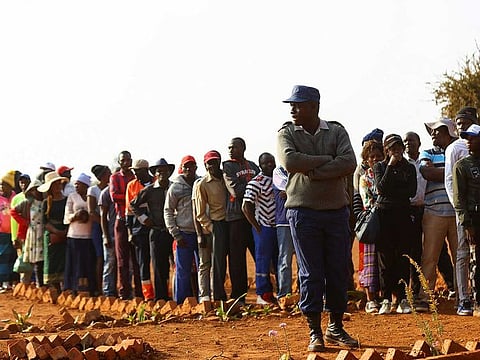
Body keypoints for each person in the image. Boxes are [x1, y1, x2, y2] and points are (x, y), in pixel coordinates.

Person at [277, 85, 358, 351]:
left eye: (298, 105)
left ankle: (335, 327)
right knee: (311, 273)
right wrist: (327, 160)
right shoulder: (286, 132)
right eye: (292, 105)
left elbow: (348, 163)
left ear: (314, 106)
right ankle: (315, 331)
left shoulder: (335, 130)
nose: (292, 109)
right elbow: (290, 161)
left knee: (338, 271)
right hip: (303, 212)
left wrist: (313, 169)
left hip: (336, 211)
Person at [416, 119, 458, 311]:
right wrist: (453, 172)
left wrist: (441, 171)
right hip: (434, 211)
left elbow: (434, 172)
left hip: (457, 212)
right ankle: (425, 297)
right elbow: (426, 172)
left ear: (448, 132)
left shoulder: (459, 149)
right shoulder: (428, 153)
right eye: (431, 132)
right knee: (429, 257)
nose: (432, 135)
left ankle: (463, 295)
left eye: (437, 131)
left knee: (461, 257)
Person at [374, 134, 417, 315]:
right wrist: (391, 167)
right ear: (387, 150)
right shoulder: (380, 166)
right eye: (393, 148)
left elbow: (411, 191)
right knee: (385, 260)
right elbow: (381, 188)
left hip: (403, 216)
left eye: (399, 147)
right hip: (384, 217)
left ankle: (402, 299)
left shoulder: (409, 168)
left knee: (402, 258)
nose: (397, 151)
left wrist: (395, 190)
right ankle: (385, 299)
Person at [445, 107, 478, 316]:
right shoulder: (455, 149)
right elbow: (450, 182)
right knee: (463, 255)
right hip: (466, 213)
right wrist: (460, 212)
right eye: (458, 124)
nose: (461, 128)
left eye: (465, 122)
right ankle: (464, 299)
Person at [130, 159, 175, 301]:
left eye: (165, 170)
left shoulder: (175, 187)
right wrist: (144, 219)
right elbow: (133, 205)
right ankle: (161, 299)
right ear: (154, 173)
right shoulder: (149, 190)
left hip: (174, 232)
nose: (162, 173)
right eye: (159, 171)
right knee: (158, 266)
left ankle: (177, 296)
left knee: (176, 265)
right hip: (157, 231)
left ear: (169, 172)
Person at [223, 137, 260, 302]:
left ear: (243, 148)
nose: (231, 150)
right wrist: (253, 187)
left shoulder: (253, 166)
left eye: (234, 147)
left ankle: (265, 292)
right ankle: (239, 296)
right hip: (236, 218)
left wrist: (249, 187)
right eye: (229, 148)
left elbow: (262, 184)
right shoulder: (227, 166)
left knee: (260, 254)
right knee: (237, 259)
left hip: (254, 217)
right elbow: (235, 191)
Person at [192, 151, 229, 302]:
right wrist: (212, 229)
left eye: (215, 162)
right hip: (217, 223)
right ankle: (218, 297)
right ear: (205, 165)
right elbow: (199, 213)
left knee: (232, 260)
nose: (212, 165)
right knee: (217, 262)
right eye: (209, 163)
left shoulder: (227, 177)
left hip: (233, 222)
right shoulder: (202, 184)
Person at [242, 152, 278, 305]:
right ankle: (262, 294)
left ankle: (280, 292)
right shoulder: (255, 182)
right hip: (263, 227)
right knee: (262, 260)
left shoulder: (279, 180)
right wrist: (256, 226)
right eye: (266, 163)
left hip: (278, 227)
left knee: (279, 260)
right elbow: (246, 206)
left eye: (272, 162)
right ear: (260, 165)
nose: (270, 165)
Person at [164, 155, 200, 304]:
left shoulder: (200, 183)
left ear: (196, 168)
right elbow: (168, 211)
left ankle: (202, 301)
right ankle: (180, 303)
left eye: (191, 166)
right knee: (182, 271)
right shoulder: (175, 187)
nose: (189, 169)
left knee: (202, 270)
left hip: (201, 233)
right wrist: (176, 234)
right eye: (186, 166)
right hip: (183, 234)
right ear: (182, 168)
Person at [453, 126, 480, 312]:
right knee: (476, 261)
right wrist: (467, 224)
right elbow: (459, 198)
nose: (468, 141)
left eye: (473, 137)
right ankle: (477, 301)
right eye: (467, 138)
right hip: (474, 218)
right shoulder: (462, 166)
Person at [358, 140, 384, 313]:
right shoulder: (364, 178)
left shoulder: (388, 172)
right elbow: (367, 201)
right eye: (371, 157)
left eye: (378, 156)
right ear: (366, 160)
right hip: (372, 222)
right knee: (369, 261)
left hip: (387, 222)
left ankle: (385, 297)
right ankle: (370, 299)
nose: (375, 159)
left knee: (386, 261)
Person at [109, 150, 140, 300]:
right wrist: (131, 198)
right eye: (123, 161)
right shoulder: (114, 177)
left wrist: (130, 199)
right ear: (119, 162)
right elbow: (114, 196)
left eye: (128, 160)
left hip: (135, 220)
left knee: (136, 258)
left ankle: (139, 291)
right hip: (121, 220)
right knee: (122, 259)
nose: (126, 163)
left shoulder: (135, 177)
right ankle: (124, 292)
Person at [63, 173, 96, 295]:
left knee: (87, 262)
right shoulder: (72, 197)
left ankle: (89, 288)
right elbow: (66, 217)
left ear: (85, 185)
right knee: (74, 262)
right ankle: (73, 288)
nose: (76, 186)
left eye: (79, 184)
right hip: (74, 235)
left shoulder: (91, 196)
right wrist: (76, 216)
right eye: (75, 184)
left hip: (88, 235)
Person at [403, 131, 426, 302]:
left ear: (419, 142)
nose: (408, 143)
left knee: (437, 251)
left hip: (428, 208)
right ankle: (414, 291)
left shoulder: (426, 161)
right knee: (413, 251)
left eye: (411, 140)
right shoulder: (403, 164)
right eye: (405, 141)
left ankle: (450, 286)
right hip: (408, 211)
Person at [125, 159, 153, 300]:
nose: (135, 174)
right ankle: (148, 295)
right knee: (143, 262)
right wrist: (130, 232)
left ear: (145, 170)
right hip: (139, 230)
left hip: (157, 227)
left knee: (160, 261)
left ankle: (163, 293)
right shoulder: (131, 186)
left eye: (138, 171)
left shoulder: (156, 182)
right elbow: (128, 212)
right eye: (134, 171)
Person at [38, 171, 69, 293]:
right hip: (52, 234)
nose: (57, 187)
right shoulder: (46, 202)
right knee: (53, 261)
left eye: (58, 184)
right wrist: (56, 231)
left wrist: (65, 231)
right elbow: (45, 221)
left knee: (65, 260)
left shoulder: (66, 200)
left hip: (65, 232)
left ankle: (65, 288)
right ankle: (56, 288)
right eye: (54, 185)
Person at [272, 165, 295, 301]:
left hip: (300, 220)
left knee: (303, 260)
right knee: (285, 260)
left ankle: (303, 292)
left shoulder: (299, 167)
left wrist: (291, 192)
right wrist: (297, 189)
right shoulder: (278, 171)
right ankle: (284, 294)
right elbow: (287, 186)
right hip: (284, 222)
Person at [88, 165, 112, 296]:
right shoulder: (93, 190)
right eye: (108, 173)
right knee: (100, 257)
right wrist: (105, 224)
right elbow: (91, 212)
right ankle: (99, 288)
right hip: (99, 226)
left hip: (109, 224)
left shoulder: (111, 189)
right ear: (102, 176)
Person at [98, 169, 118, 297]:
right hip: (110, 233)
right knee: (110, 263)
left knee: (125, 264)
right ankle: (108, 292)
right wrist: (105, 236)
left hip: (122, 233)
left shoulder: (124, 190)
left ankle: (124, 291)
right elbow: (103, 217)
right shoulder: (106, 193)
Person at [0, 171, 17, 291]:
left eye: (4, 184)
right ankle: (3, 281)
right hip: (2, 233)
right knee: (3, 257)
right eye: (1, 184)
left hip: (13, 233)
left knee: (11, 257)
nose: (1, 187)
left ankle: (10, 280)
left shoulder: (15, 197)